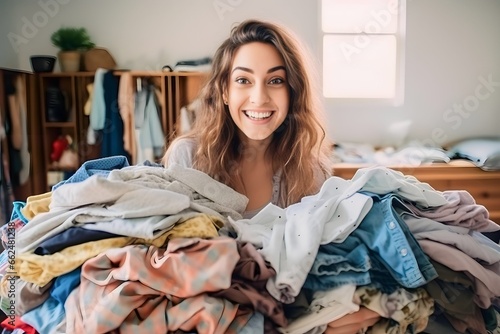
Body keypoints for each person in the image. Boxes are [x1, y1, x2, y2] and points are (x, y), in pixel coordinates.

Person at [162, 19, 380, 334]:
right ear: (224, 91)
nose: (260, 98)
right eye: (243, 80)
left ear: (293, 92)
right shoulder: (188, 157)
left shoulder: (312, 169)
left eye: (275, 81)